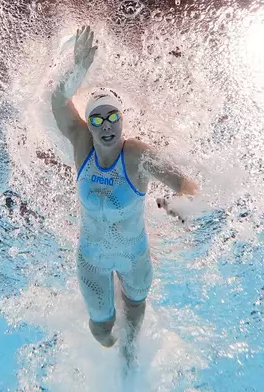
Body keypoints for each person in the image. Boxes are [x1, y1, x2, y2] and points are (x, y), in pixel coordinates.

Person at [50, 25, 199, 363]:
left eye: (112, 116)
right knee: (103, 333)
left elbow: (186, 186)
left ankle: (128, 366)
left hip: (134, 258)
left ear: (122, 120)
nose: (105, 125)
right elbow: (57, 100)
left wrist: (182, 205)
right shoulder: (81, 146)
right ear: (88, 124)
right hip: (92, 260)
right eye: (97, 119)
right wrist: (79, 69)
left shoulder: (137, 156)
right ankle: (109, 353)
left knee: (132, 326)